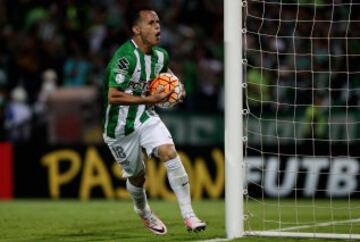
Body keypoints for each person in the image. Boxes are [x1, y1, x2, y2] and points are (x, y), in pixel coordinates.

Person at [102, 8, 206, 235]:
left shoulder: (161, 55)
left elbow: (165, 73)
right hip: (119, 128)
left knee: (169, 151)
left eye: (158, 22)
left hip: (146, 116)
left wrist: (177, 88)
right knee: (137, 178)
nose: (157, 27)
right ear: (137, 29)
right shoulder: (125, 57)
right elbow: (113, 96)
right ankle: (144, 212)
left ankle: (189, 215)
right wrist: (150, 97)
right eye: (151, 23)